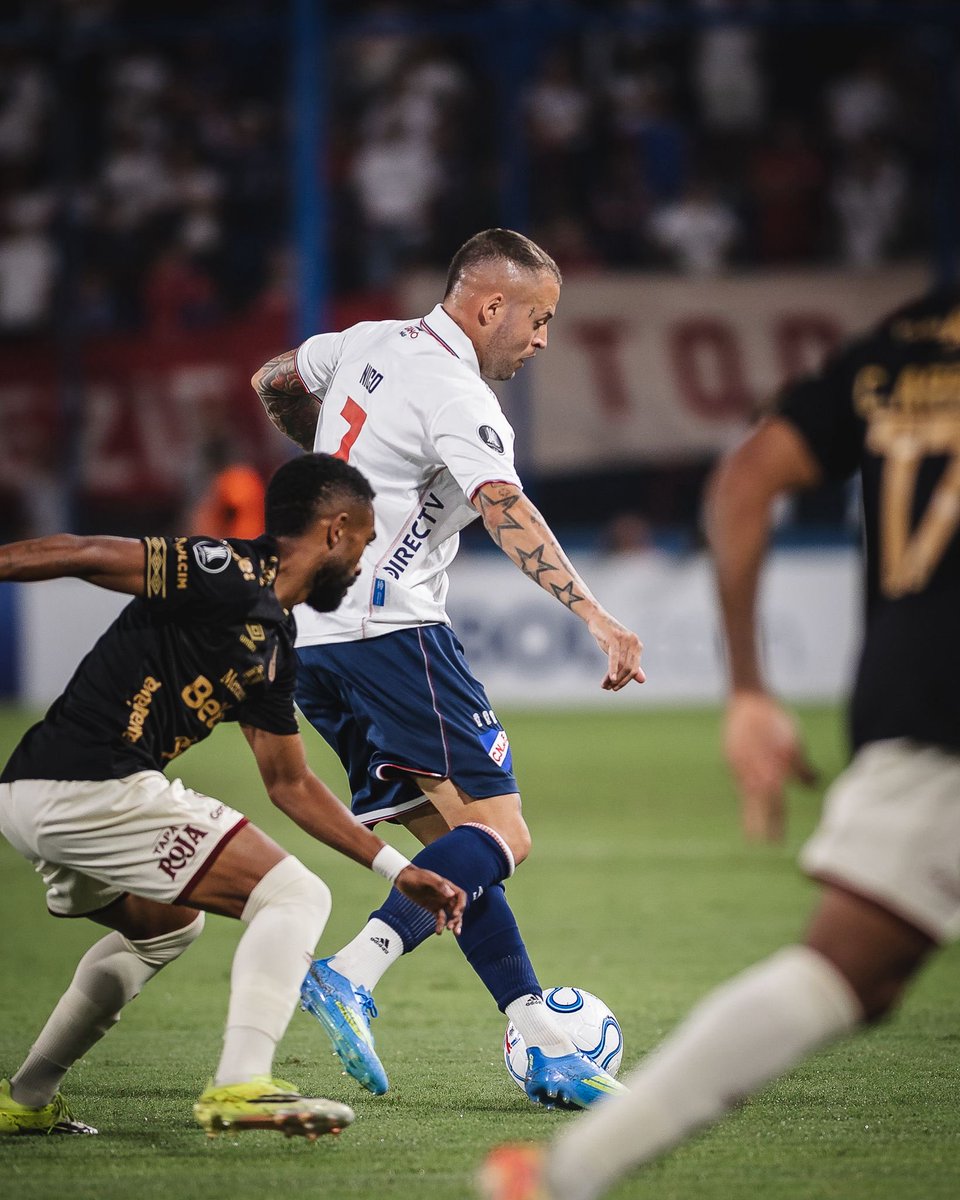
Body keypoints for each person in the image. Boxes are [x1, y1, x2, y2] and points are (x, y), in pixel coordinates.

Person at [479, 287, 960, 1198]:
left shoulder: (906, 342)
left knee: (856, 967)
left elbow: (744, 477)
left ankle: (565, 1175)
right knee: (852, 964)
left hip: (914, 692)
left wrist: (747, 692)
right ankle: (566, 1174)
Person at [252, 228, 644, 1110]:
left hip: (310, 640)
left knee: (451, 852)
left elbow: (275, 379)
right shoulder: (458, 394)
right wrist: (595, 614)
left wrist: (331, 463)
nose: (542, 339)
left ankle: (540, 1036)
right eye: (537, 319)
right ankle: (350, 973)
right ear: (489, 305)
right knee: (503, 837)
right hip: (393, 632)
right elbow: (503, 506)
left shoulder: (365, 342)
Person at [0, 452, 464, 1139]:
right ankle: (240, 1083)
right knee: (295, 895)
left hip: (36, 797)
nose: (365, 563)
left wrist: (401, 871)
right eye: (365, 543)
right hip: (91, 784)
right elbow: (82, 551)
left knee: (165, 928)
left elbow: (291, 783)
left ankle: (26, 1099)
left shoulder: (277, 649)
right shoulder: (224, 570)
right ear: (335, 531)